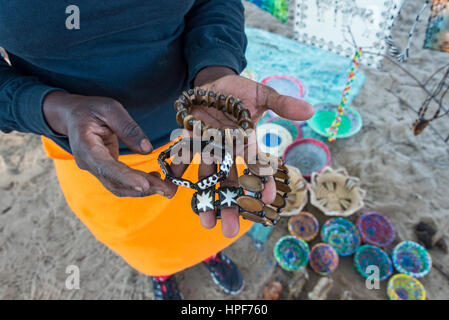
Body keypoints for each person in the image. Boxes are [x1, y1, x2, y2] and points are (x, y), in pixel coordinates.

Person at [0, 1, 313, 299]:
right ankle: (162, 272)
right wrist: (54, 110)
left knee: (213, 222)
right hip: (93, 154)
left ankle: (209, 253)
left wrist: (215, 71)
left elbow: (213, 2)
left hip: (203, 133)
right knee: (150, 247)